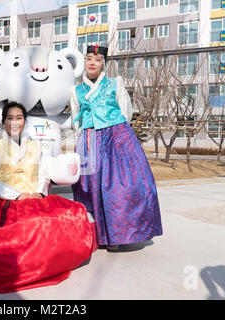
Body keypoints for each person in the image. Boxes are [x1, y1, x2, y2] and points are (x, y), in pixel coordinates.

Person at [0, 102, 96, 293]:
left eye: (19, 118)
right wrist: (18, 195)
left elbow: (43, 174)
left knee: (66, 216)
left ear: (24, 122)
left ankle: (50, 262)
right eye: (10, 118)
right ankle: (27, 268)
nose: (14, 122)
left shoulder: (35, 147)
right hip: (4, 201)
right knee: (14, 231)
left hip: (34, 198)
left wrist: (39, 192)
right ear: (3, 122)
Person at [70, 45, 163, 252]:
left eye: (98, 59)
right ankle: (98, 235)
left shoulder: (115, 83)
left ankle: (120, 234)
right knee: (90, 186)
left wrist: (117, 133)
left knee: (123, 186)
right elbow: (75, 118)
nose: (92, 62)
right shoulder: (76, 90)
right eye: (89, 58)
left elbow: (125, 111)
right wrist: (86, 138)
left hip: (117, 137)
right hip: (89, 138)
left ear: (104, 63)